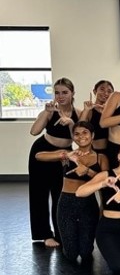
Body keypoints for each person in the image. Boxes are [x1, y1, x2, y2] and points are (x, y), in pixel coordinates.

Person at [35, 121, 108, 264]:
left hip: (88, 204)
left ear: (92, 135)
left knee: (86, 252)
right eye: (77, 134)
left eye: (85, 133)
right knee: (71, 254)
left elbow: (105, 181)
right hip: (66, 203)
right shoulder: (68, 154)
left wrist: (88, 171)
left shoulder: (101, 158)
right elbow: (39, 156)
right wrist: (65, 155)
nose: (81, 136)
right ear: (73, 137)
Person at [76, 143, 120, 275]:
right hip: (108, 227)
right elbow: (80, 192)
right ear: (119, 156)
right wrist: (102, 183)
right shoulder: (106, 174)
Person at [28, 77, 80, 247]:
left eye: (65, 92)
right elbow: (34, 131)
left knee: (60, 196)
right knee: (39, 195)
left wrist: (72, 123)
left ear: (72, 93)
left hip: (63, 156)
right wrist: (47, 113)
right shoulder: (50, 110)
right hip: (42, 152)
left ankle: (61, 233)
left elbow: (79, 140)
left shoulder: (78, 113)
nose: (60, 96)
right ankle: (44, 234)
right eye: (57, 93)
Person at [79, 80, 114, 153]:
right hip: (95, 152)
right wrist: (86, 110)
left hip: (113, 152)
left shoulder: (113, 111)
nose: (106, 93)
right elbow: (79, 129)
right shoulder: (89, 111)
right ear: (95, 91)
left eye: (109, 91)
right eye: (102, 89)